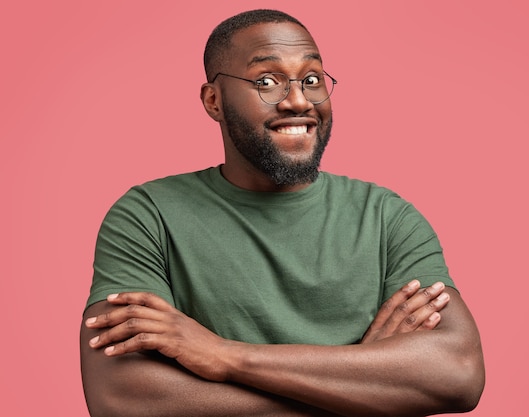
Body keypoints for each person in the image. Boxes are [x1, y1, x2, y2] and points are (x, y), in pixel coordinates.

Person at [80, 9, 485, 417]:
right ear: (213, 100)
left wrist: (224, 356)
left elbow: (459, 374)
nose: (298, 101)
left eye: (311, 80)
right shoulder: (148, 216)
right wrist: (361, 388)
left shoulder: (386, 218)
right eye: (267, 82)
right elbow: (123, 399)